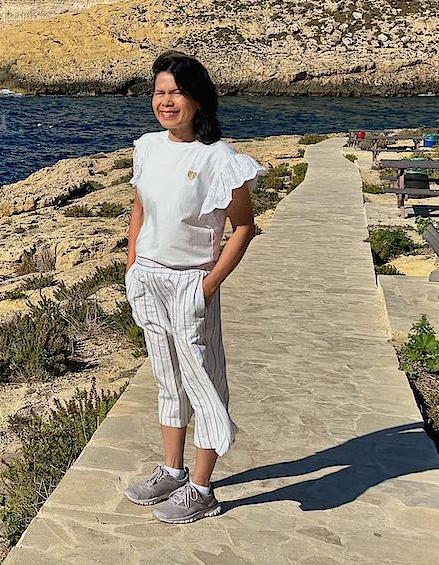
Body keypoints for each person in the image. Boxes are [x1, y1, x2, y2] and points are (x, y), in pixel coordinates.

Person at [121, 50, 267, 524]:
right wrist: (133, 261)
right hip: (149, 279)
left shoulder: (220, 159)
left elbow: (243, 226)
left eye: (176, 93)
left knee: (204, 383)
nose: (166, 101)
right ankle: (172, 469)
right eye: (160, 92)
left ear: (198, 100)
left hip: (189, 284)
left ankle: (202, 488)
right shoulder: (147, 147)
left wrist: (207, 286)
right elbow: (140, 208)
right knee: (167, 377)